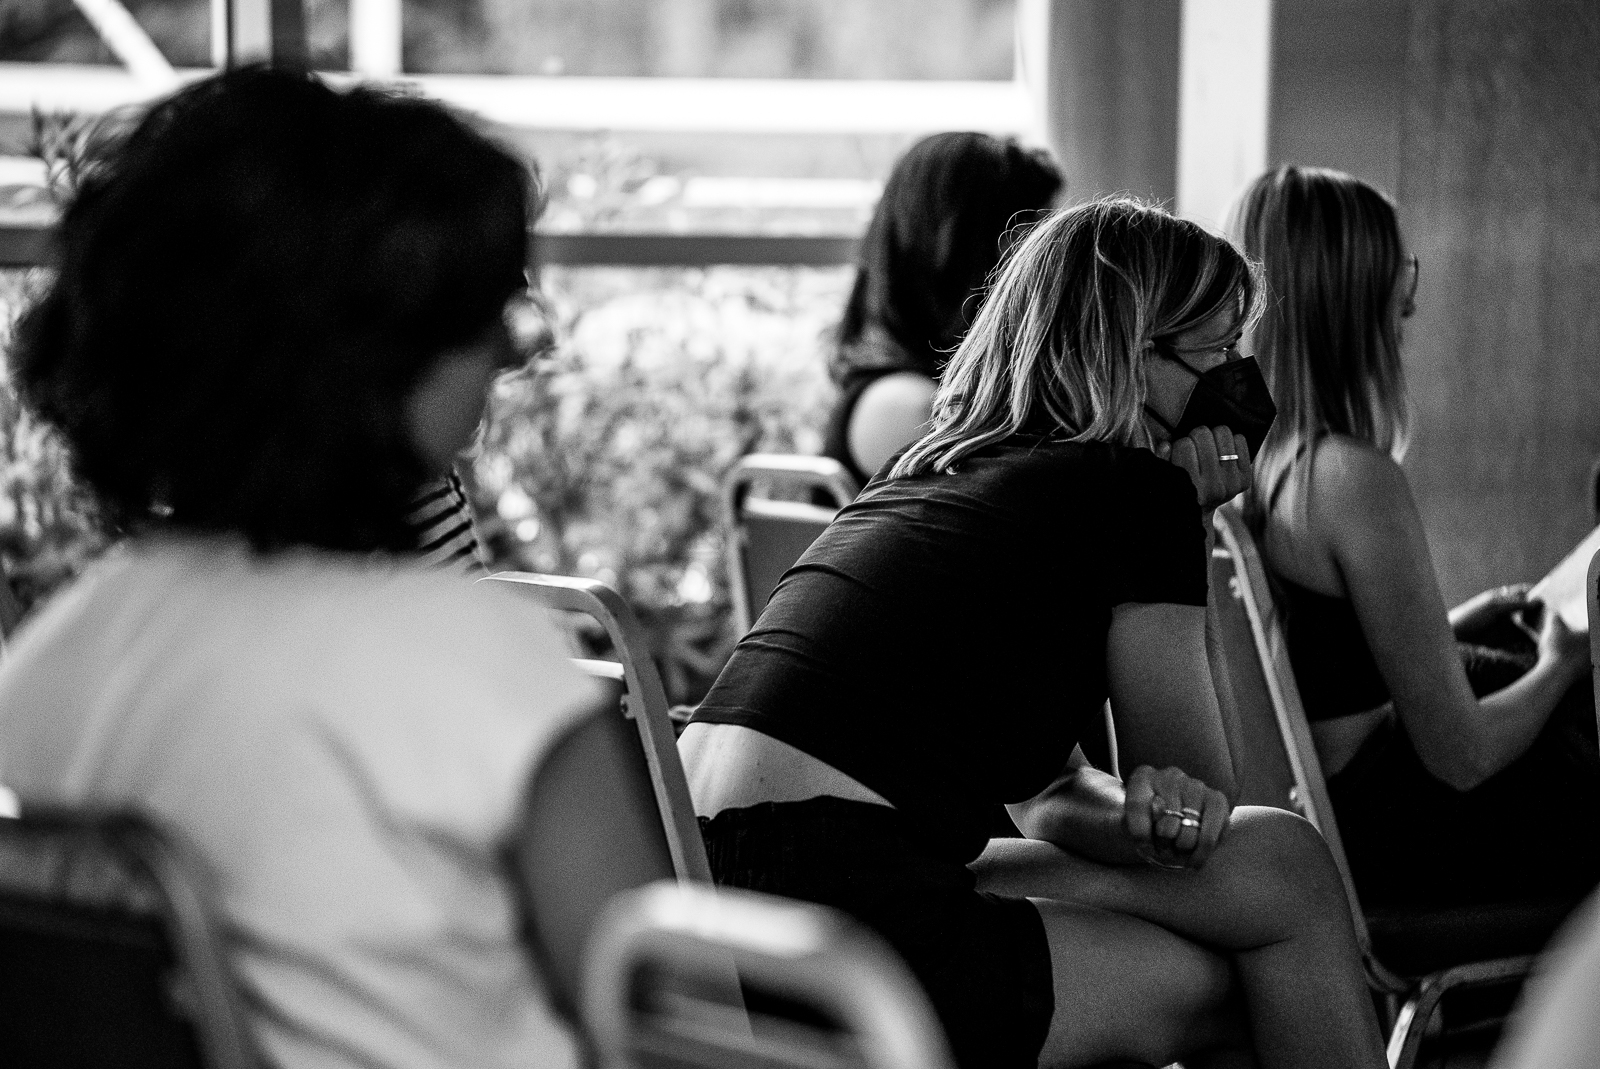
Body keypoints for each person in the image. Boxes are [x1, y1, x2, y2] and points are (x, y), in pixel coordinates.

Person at [0, 66, 651, 1069]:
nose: (518, 348)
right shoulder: (475, 657)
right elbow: (666, 1014)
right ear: (364, 351)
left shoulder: (53, 661)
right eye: (478, 311)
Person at [682, 198, 1387, 1069]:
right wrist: (1193, 520)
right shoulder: (1134, 494)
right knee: (1253, 937)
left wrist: (1140, 817)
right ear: (1132, 358)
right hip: (848, 903)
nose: (1239, 378)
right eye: (1217, 352)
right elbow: (1202, 806)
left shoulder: (929, 472)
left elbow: (1049, 792)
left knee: (1278, 862)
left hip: (709, 886)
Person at [1234, 164, 1598, 909]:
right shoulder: (1350, 479)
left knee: (1510, 653)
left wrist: (1448, 626)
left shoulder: (1266, 460)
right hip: (1399, 835)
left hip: (1349, 809)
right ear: (1353, 297)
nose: (1411, 298)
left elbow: (1327, 671)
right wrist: (1563, 662)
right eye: (1397, 272)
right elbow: (1464, 757)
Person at [821, 132, 1062, 486]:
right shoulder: (907, 408)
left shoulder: (924, 398)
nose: (1048, 268)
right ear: (967, 251)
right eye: (1033, 238)